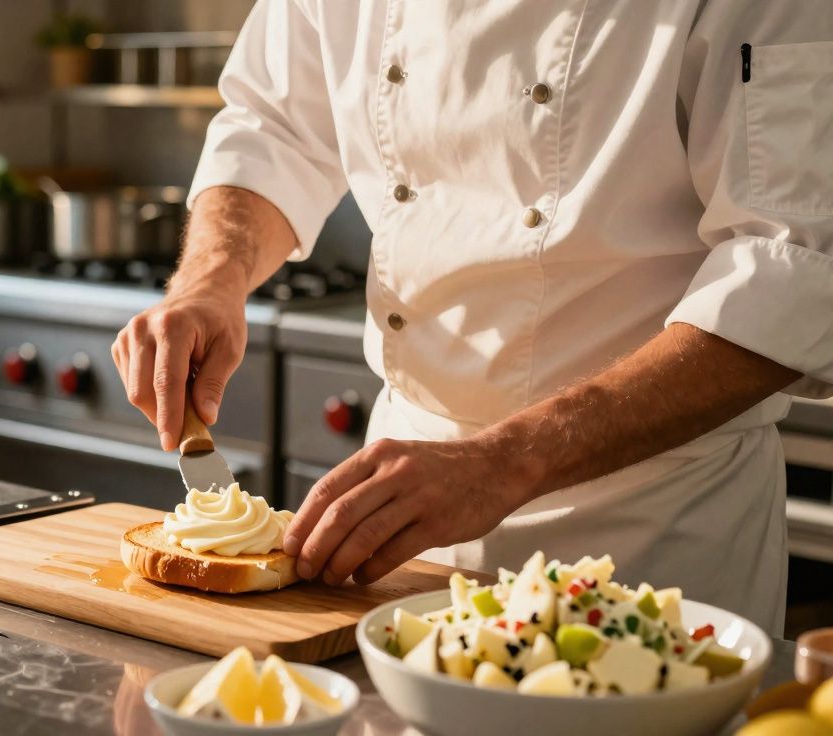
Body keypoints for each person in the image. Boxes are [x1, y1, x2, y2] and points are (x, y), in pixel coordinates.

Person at [112, 1, 833, 634]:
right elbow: (271, 128)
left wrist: (506, 460)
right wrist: (210, 280)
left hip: (651, 525)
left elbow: (790, 268)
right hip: (400, 510)